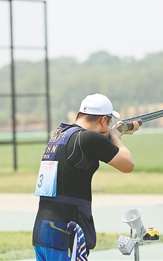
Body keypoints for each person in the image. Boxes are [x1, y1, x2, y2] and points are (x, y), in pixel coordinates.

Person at [32, 93, 139, 260]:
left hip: (43, 232)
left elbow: (88, 149)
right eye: (109, 122)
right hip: (65, 234)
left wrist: (112, 135)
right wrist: (117, 138)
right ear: (103, 120)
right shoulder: (88, 138)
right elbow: (128, 164)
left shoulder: (60, 134)